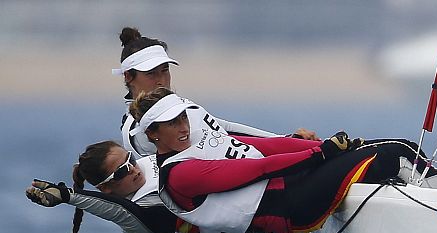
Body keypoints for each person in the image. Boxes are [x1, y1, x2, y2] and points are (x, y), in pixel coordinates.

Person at [128, 88, 437, 233]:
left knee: (395, 146)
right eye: (171, 123)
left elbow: (264, 147)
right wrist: (323, 154)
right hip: (290, 207)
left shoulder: (195, 143)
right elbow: (256, 170)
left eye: (182, 117)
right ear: (154, 134)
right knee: (395, 154)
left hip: (293, 185)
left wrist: (321, 145)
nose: (183, 126)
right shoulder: (181, 174)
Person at [113, 27, 318, 157]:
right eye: (151, 74)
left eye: (165, 70)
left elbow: (225, 130)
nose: (161, 80)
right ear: (129, 77)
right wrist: (292, 149)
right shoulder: (140, 128)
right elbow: (217, 148)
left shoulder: (178, 106)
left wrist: (289, 140)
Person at [25, 141, 251, 233]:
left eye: (130, 159)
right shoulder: (140, 219)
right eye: (122, 171)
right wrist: (68, 196)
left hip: (249, 174)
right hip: (255, 215)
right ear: (106, 188)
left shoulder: (144, 162)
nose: (133, 169)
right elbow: (119, 211)